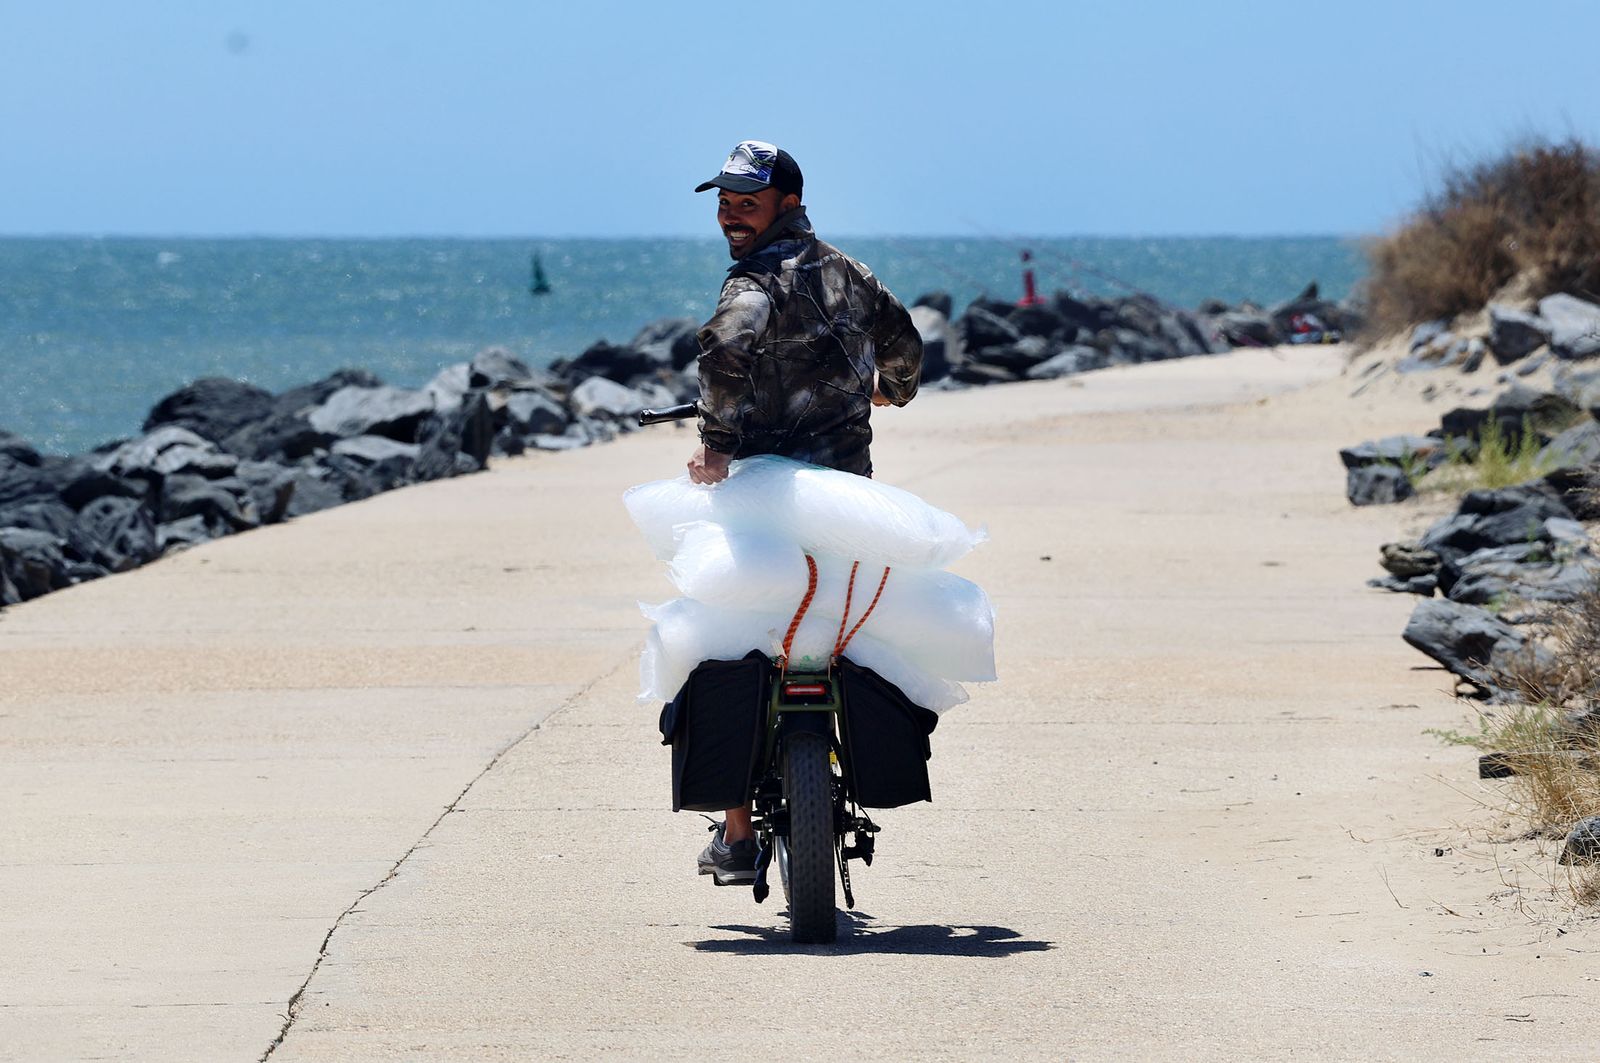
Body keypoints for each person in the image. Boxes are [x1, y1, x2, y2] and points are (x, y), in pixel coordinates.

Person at [684, 139, 924, 885]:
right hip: (849, 498)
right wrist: (892, 390)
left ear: (787, 204)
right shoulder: (850, 274)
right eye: (725, 203)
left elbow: (726, 349)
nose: (732, 216)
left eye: (747, 203)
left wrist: (716, 445)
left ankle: (735, 833)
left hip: (766, 496)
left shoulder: (753, 282)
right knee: (847, 629)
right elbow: (904, 343)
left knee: (722, 638)